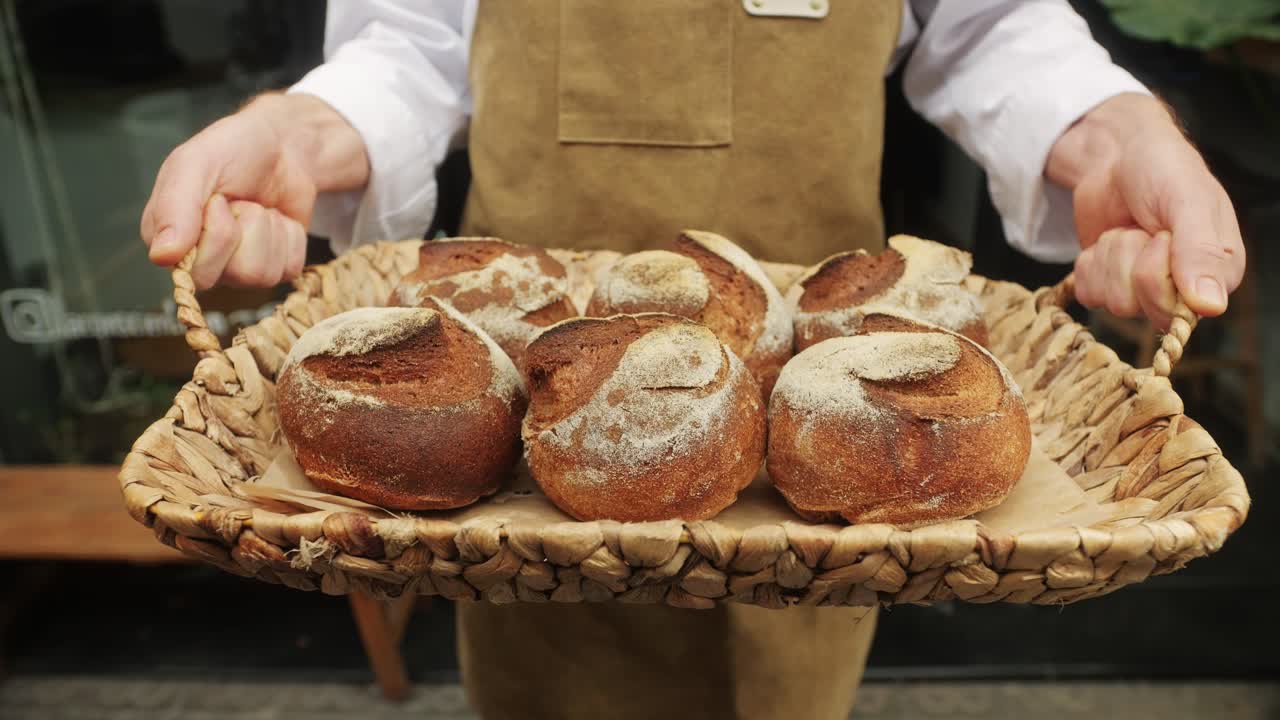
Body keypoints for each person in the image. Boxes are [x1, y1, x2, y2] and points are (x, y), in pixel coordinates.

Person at [141, 2, 1246, 718]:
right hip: (534, 418)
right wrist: (301, 127)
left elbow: (992, 26)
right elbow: (411, 42)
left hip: (821, 414)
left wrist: (1116, 135)